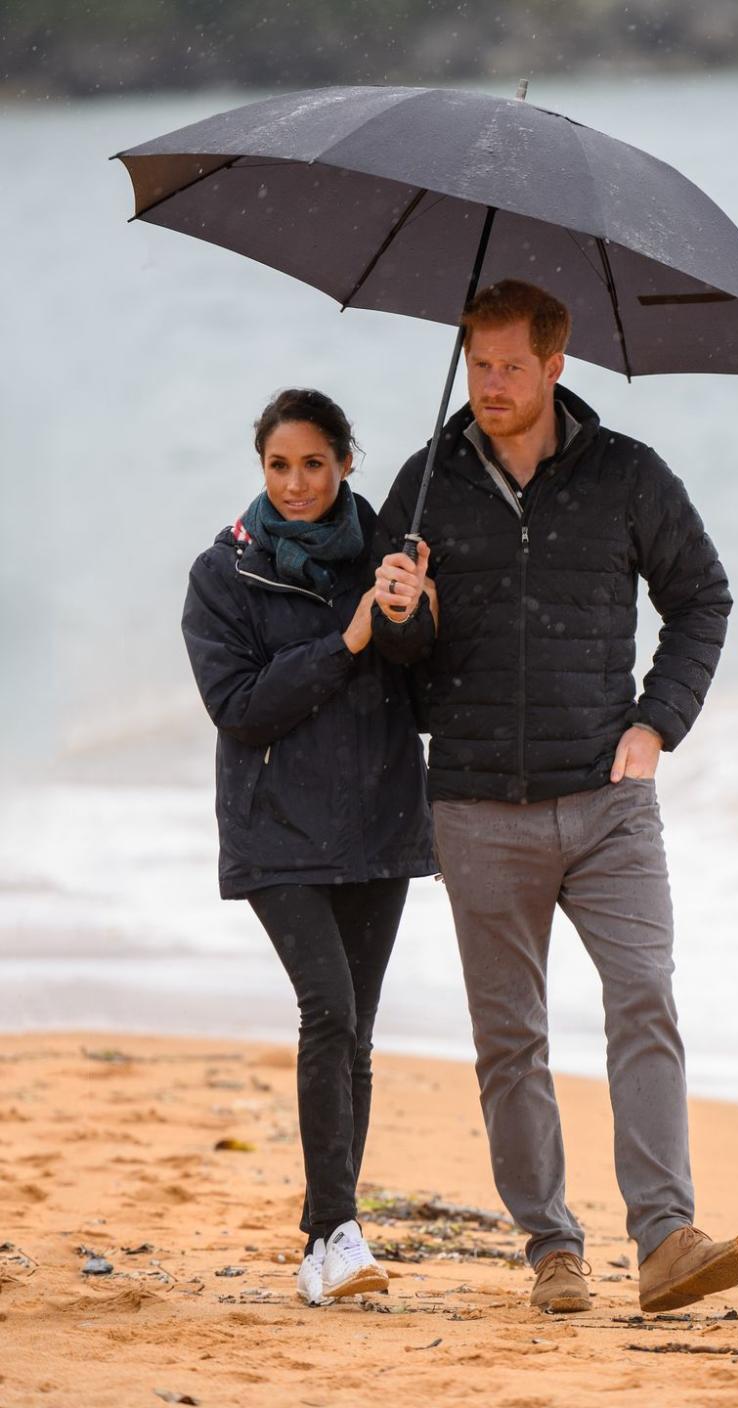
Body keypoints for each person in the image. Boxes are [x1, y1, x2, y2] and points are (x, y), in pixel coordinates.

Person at [371, 280, 738, 1315]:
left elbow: (703, 599)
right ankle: (552, 1248)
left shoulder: (630, 476)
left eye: (508, 364)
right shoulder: (425, 487)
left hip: (608, 799)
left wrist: (657, 722)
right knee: (510, 1039)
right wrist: (404, 614)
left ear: (555, 362)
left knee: (644, 995)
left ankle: (667, 1237)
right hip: (475, 808)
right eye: (476, 363)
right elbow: (404, 683)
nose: (488, 384)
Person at [182, 388, 435, 1305]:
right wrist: (350, 634)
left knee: (357, 1034)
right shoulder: (224, 574)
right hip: (276, 830)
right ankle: (334, 1233)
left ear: (347, 464)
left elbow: (426, 677)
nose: (296, 484)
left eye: (315, 465)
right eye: (279, 465)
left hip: (378, 824)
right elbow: (242, 708)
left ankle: (334, 1236)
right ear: (261, 469)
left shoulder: (391, 555)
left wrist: (413, 612)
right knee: (327, 1010)